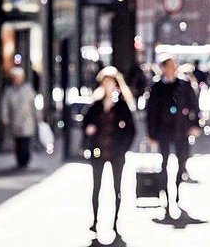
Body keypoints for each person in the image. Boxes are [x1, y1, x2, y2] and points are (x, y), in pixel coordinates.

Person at [83, 66, 136, 234]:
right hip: (98, 151)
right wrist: (89, 132)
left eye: (110, 82)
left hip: (116, 153)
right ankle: (95, 220)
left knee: (117, 188)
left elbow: (131, 130)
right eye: (105, 82)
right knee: (96, 187)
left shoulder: (122, 106)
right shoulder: (97, 105)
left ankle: (115, 222)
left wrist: (123, 148)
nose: (107, 85)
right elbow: (86, 122)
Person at [146, 55, 201, 206]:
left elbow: (194, 106)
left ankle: (176, 189)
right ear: (163, 68)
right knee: (164, 161)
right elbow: (150, 112)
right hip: (163, 129)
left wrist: (196, 124)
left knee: (181, 160)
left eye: (173, 66)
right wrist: (151, 133)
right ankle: (164, 190)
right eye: (169, 66)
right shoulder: (156, 87)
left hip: (181, 129)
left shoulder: (183, 84)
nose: (172, 69)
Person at [0, 67, 41, 168]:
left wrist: (37, 115)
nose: (16, 79)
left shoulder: (28, 89)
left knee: (26, 141)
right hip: (15, 120)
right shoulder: (9, 91)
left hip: (27, 120)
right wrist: (4, 117)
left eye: (17, 77)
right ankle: (20, 160)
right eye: (14, 77)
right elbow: (5, 105)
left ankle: (25, 160)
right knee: (18, 142)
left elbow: (33, 104)